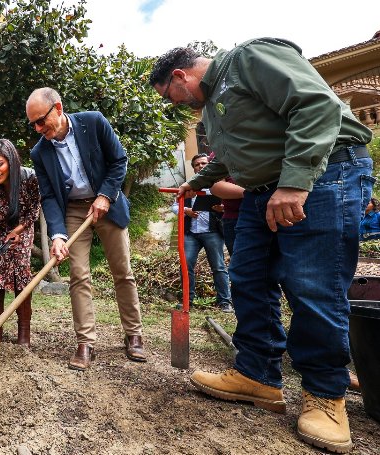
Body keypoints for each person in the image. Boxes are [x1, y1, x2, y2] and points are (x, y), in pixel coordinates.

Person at [150, 39, 374, 453]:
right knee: (248, 276)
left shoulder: (248, 60)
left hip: (324, 176)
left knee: (313, 284)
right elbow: (231, 154)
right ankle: (258, 374)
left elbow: (315, 106)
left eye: (172, 96)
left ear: (180, 76)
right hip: (260, 191)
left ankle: (326, 395)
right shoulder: (215, 105)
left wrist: (293, 183)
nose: (178, 106)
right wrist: (195, 182)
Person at [26, 87, 146, 370]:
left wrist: (106, 195)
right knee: (78, 275)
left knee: (122, 271)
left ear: (58, 108)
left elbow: (119, 160)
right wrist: (56, 234)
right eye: (33, 124)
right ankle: (85, 342)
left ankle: (134, 335)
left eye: (41, 121)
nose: (38, 128)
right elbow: (50, 196)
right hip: (74, 211)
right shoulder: (39, 152)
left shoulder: (93, 122)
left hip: (108, 202)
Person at [0, 139, 40, 347]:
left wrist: (18, 230)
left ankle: (23, 336)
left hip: (21, 227)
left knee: (22, 274)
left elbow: (33, 210)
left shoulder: (29, 178)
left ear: (11, 161)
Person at [171, 153, 232, 313]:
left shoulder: (219, 185)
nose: (200, 166)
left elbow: (231, 204)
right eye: (197, 164)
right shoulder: (188, 185)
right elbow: (174, 206)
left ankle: (224, 302)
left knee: (218, 267)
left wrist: (223, 209)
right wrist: (186, 210)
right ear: (194, 168)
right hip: (191, 233)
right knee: (186, 264)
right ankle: (187, 300)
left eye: (204, 163)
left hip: (212, 232)